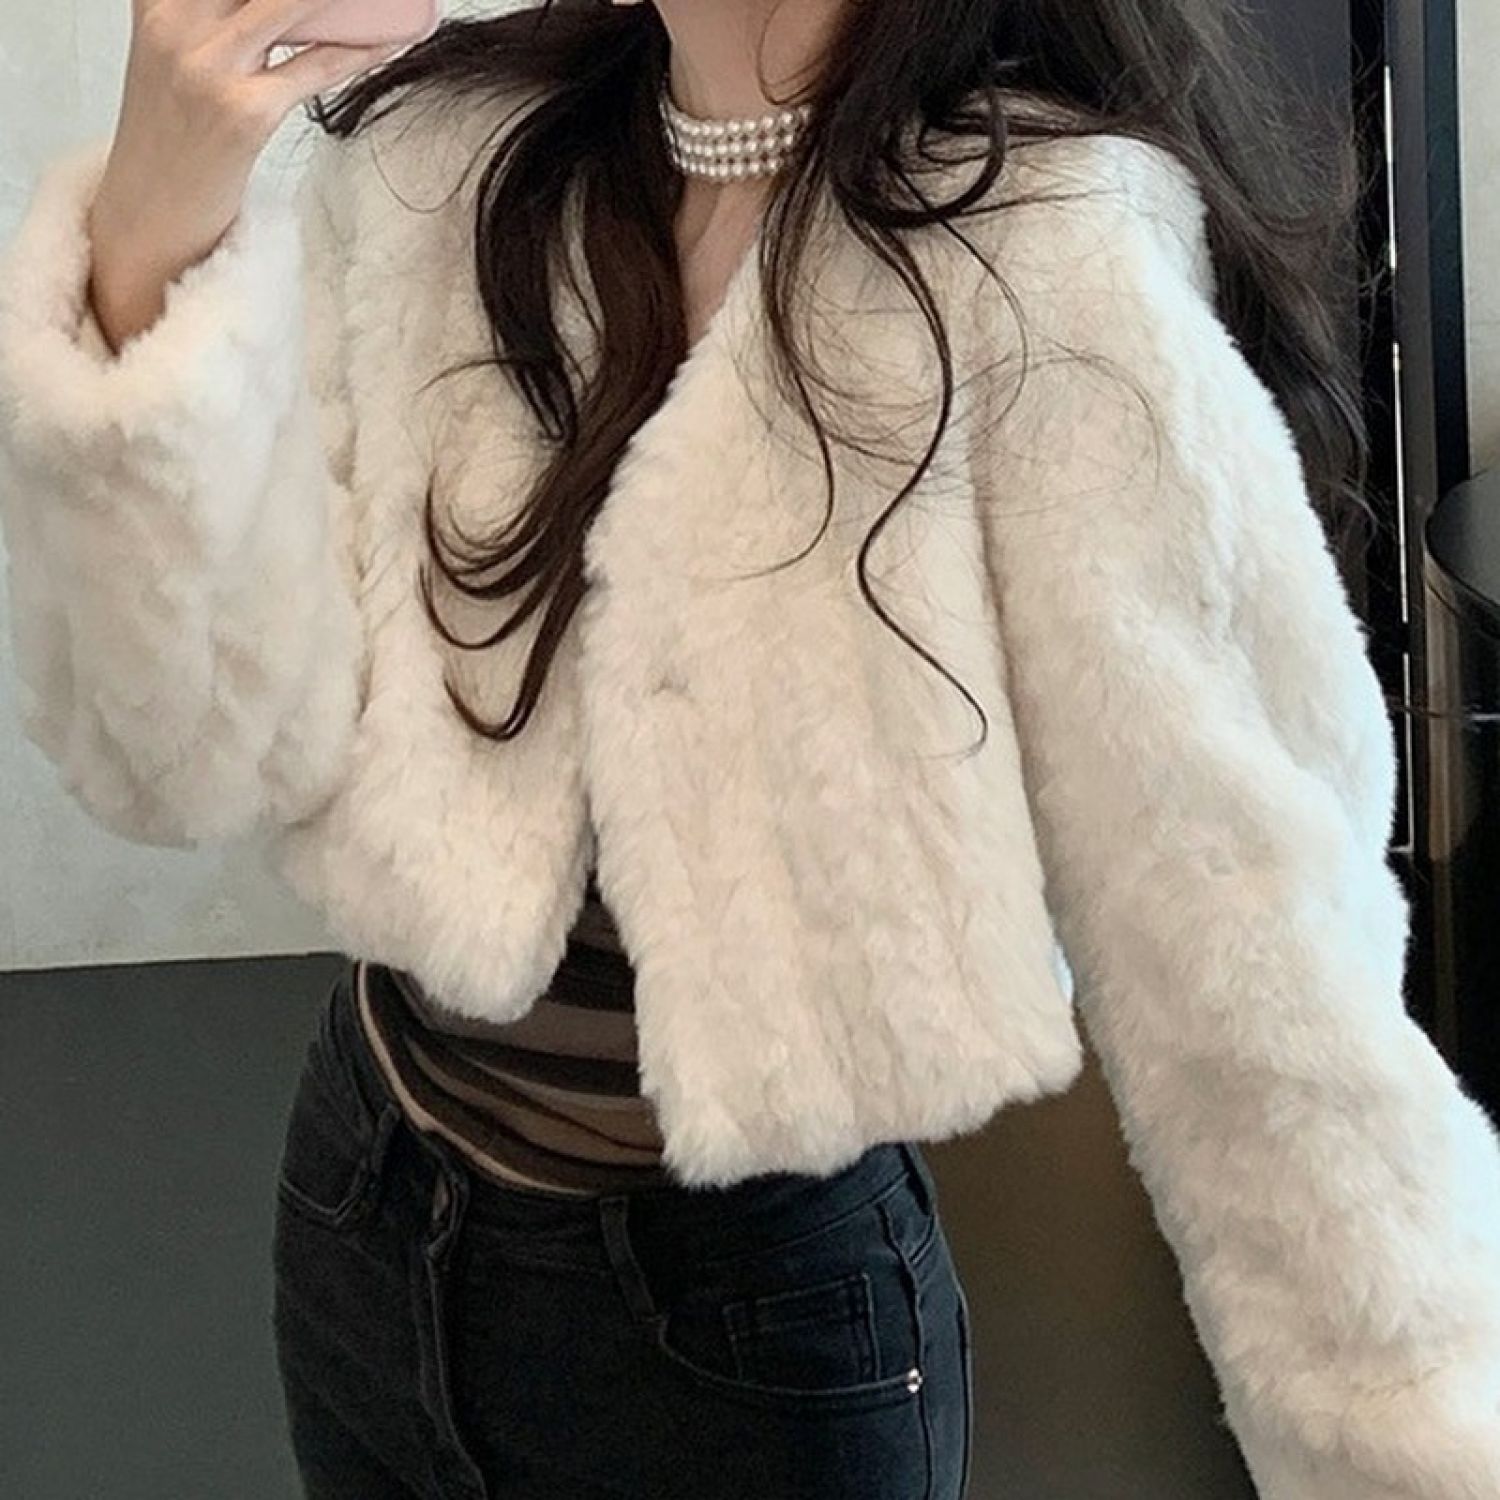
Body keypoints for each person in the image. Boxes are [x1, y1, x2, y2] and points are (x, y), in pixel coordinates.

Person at [1, 1, 1498, 1497]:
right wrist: (153, 223)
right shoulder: (447, 164)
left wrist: (1407, 1433)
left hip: (742, 1332)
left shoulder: (1043, 259)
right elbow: (179, 757)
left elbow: (1247, 947)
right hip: (367, 1209)